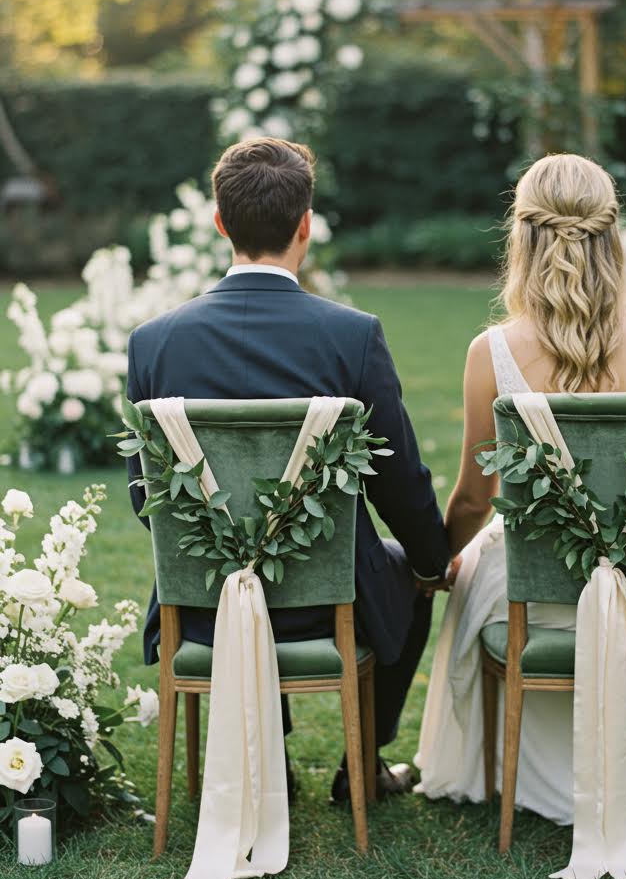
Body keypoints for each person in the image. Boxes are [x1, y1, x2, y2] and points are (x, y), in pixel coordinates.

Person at [126, 137, 457, 802]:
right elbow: (398, 478)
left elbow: (148, 498)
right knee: (407, 573)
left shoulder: (153, 342)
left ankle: (263, 759)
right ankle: (361, 767)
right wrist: (430, 564)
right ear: (306, 225)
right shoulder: (352, 335)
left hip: (202, 606)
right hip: (329, 606)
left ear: (220, 224)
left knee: (400, 569)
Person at [415, 152, 626, 821]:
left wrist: (439, 562)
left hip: (533, 603)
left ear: (524, 238)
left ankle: (500, 773)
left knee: (479, 563)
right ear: (611, 237)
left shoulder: (494, 352)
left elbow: (476, 498)